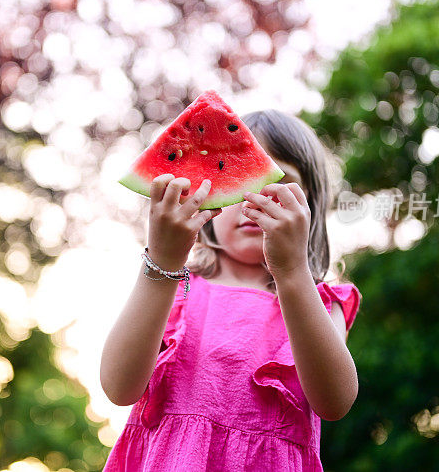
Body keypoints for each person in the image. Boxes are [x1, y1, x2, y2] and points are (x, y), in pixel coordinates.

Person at [100, 109, 363, 471]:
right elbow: (118, 386)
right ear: (205, 198)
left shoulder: (321, 301)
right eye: (237, 180)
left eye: (277, 185)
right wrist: (162, 263)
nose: (254, 201)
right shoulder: (174, 288)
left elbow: (335, 402)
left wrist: (291, 272)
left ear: (311, 208)